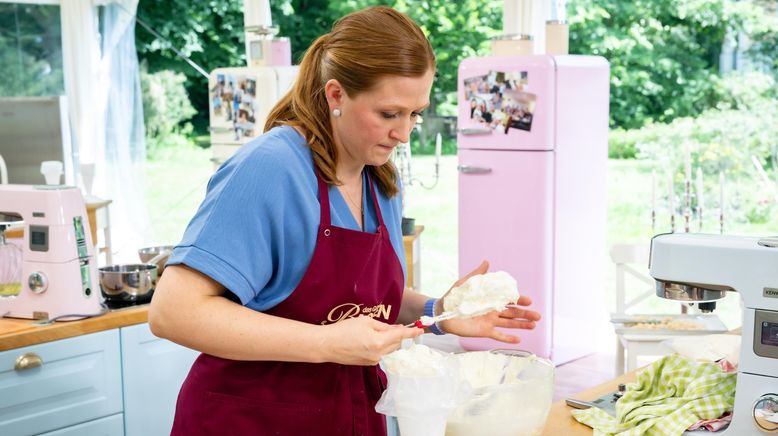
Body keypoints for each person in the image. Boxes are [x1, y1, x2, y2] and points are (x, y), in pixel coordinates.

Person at [149, 6, 541, 435]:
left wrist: (440, 311)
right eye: (389, 114)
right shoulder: (270, 168)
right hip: (254, 418)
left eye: (415, 113)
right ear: (336, 95)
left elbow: (362, 300)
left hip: (349, 414)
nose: (405, 133)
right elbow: (173, 311)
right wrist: (325, 344)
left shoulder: (380, 180)